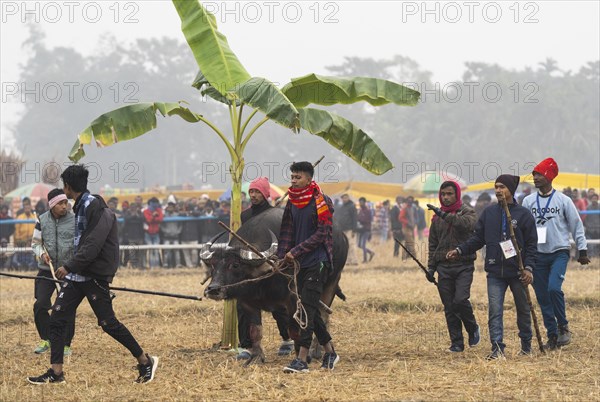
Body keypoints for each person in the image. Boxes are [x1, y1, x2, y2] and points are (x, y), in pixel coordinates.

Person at [27, 165, 158, 385]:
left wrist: (69, 266)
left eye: (64, 187)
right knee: (58, 318)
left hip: (93, 276)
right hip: (78, 276)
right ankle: (56, 372)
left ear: (68, 187)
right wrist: (73, 268)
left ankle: (145, 361)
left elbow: (93, 244)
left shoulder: (94, 207)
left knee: (108, 323)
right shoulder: (80, 207)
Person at [447, 175, 537, 359]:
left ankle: (526, 346)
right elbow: (478, 239)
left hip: (518, 272)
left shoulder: (524, 215)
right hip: (495, 271)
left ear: (511, 189)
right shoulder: (489, 214)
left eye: (502, 187)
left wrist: (528, 268)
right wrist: (460, 250)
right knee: (495, 310)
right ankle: (497, 348)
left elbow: (532, 246)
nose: (498, 190)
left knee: (523, 309)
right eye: (496, 187)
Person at [277, 161, 339, 373]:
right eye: (292, 177)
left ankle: (302, 359)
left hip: (317, 262)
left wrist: (296, 251)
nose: (294, 181)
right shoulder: (292, 202)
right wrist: (281, 257)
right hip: (299, 264)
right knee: (307, 307)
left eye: (298, 177)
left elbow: (322, 234)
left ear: (309, 178)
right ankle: (331, 352)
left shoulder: (322, 201)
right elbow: (287, 231)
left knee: (307, 312)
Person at [522, 158, 590, 349]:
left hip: (559, 252)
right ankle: (552, 335)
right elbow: (523, 228)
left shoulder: (563, 200)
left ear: (549, 177)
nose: (535, 178)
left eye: (539, 174)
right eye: (534, 174)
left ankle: (563, 326)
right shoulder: (528, 201)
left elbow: (576, 225)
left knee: (553, 289)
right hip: (536, 255)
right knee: (543, 296)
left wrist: (582, 249)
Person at [237, 177, 293, 360]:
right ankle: (247, 345)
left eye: (257, 192)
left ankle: (287, 339)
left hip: (272, 264)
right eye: (251, 192)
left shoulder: (277, 214)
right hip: (251, 266)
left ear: (265, 194)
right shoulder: (245, 215)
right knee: (245, 304)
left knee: (278, 304)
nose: (253, 195)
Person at [426, 181, 480, 353]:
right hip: (444, 267)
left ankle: (472, 328)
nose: (446, 197)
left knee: (461, 300)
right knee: (449, 307)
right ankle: (457, 343)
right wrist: (431, 268)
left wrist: (443, 214)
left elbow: (465, 225)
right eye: (443, 194)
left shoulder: (467, 211)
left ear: (457, 194)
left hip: (464, 265)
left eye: (449, 194)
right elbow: (433, 244)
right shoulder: (436, 218)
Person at [31, 189, 76, 356]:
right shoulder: (41, 220)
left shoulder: (74, 220)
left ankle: (65, 344)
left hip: (67, 271)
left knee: (66, 308)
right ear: (52, 205)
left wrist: (71, 265)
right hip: (46, 271)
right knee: (40, 305)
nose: (65, 206)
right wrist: (41, 254)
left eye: (65, 203)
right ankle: (47, 338)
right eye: (60, 203)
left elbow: (79, 244)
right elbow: (35, 244)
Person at [13, 197, 37, 269]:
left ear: (30, 208)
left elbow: (36, 231)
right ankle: (20, 265)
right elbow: (16, 232)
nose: (27, 209)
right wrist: (19, 241)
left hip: (32, 242)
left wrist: (31, 241)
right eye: (26, 208)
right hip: (21, 242)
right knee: (19, 255)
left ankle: (31, 265)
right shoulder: (20, 218)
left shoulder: (34, 218)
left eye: (28, 208)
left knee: (32, 254)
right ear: (24, 208)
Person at [335, 193, 358, 265]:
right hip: (342, 230)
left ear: (348, 198)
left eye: (345, 198)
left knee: (351, 245)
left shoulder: (352, 206)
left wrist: (354, 230)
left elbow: (355, 218)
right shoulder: (341, 207)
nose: (344, 199)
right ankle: (347, 261)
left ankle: (354, 260)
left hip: (350, 229)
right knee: (345, 246)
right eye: (343, 198)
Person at [143, 197, 163, 268]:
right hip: (148, 233)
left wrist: (153, 217)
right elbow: (148, 220)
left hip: (156, 233)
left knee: (156, 249)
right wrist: (153, 215)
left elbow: (160, 219)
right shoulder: (145, 211)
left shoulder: (159, 210)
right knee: (151, 250)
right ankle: (152, 266)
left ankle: (156, 266)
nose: (154, 206)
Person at [357, 197, 375, 263]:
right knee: (359, 245)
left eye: (361, 202)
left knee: (363, 245)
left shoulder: (368, 211)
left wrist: (361, 220)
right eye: (359, 202)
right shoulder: (360, 210)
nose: (360, 203)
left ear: (364, 202)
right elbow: (358, 218)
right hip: (361, 230)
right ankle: (371, 253)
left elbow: (369, 220)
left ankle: (365, 260)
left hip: (366, 230)